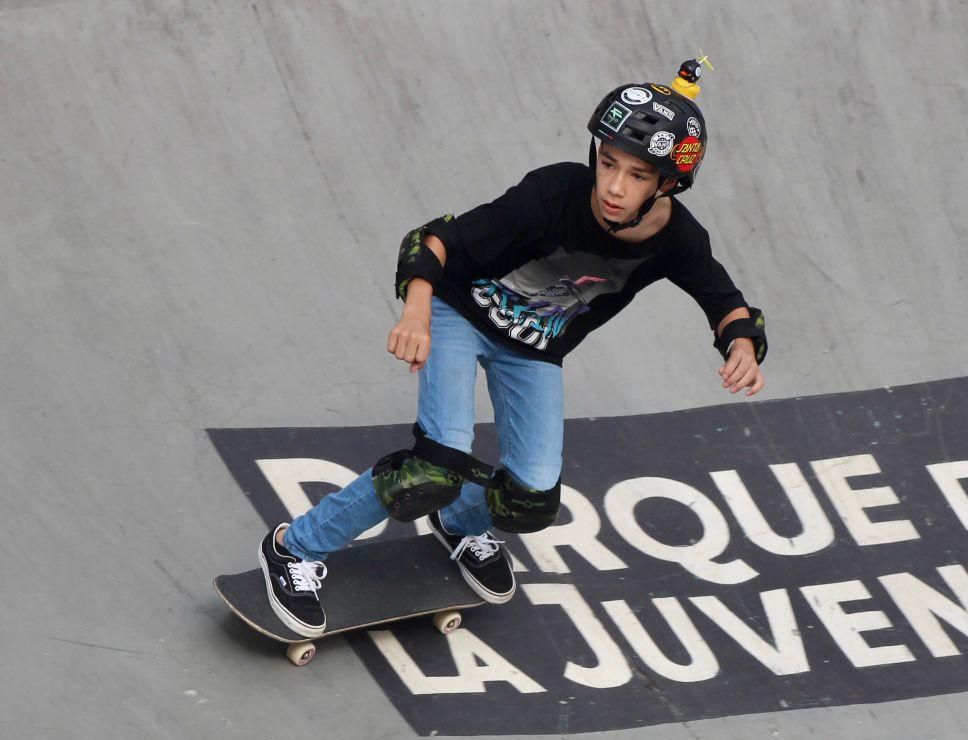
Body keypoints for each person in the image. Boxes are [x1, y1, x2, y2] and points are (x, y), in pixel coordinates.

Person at [257, 58, 767, 638]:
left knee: (530, 498)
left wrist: (742, 346)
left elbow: (725, 300)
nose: (613, 187)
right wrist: (417, 309)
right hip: (456, 313)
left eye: (637, 175)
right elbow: (436, 239)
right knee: (432, 467)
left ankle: (459, 524)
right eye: (607, 163)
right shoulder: (553, 193)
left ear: (667, 184)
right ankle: (294, 547)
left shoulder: (679, 239)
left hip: (531, 350)